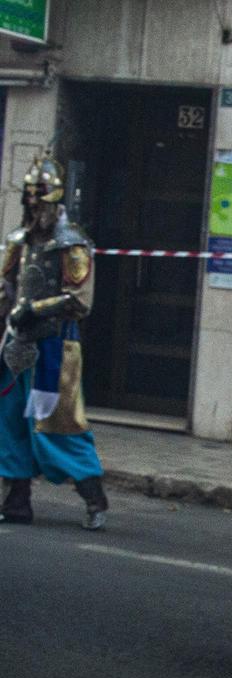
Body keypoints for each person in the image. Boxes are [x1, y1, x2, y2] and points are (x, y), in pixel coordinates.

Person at [0, 156, 108, 530]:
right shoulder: (17, 241)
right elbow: (6, 288)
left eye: (40, 199)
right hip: (16, 344)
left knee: (57, 425)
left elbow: (79, 300)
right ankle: (16, 500)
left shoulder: (72, 244)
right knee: (10, 421)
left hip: (55, 345)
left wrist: (34, 308)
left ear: (55, 200)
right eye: (29, 198)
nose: (33, 206)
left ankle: (94, 498)